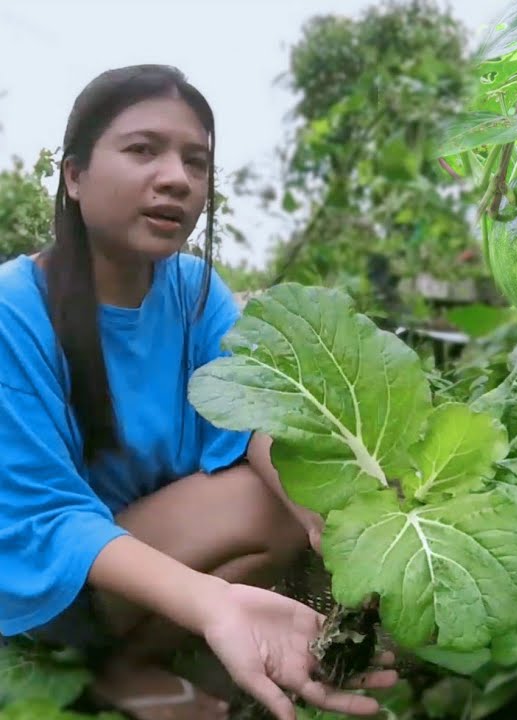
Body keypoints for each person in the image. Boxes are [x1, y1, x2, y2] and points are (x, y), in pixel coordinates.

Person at [0, 65, 396, 720]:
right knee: (250, 506)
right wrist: (212, 602)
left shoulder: (194, 291)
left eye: (196, 162)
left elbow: (254, 417)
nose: (177, 179)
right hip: (45, 572)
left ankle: (131, 660)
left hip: (147, 543)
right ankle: (89, 660)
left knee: (279, 498)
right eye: (142, 150)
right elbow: (47, 519)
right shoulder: (14, 308)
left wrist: (325, 518)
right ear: (74, 176)